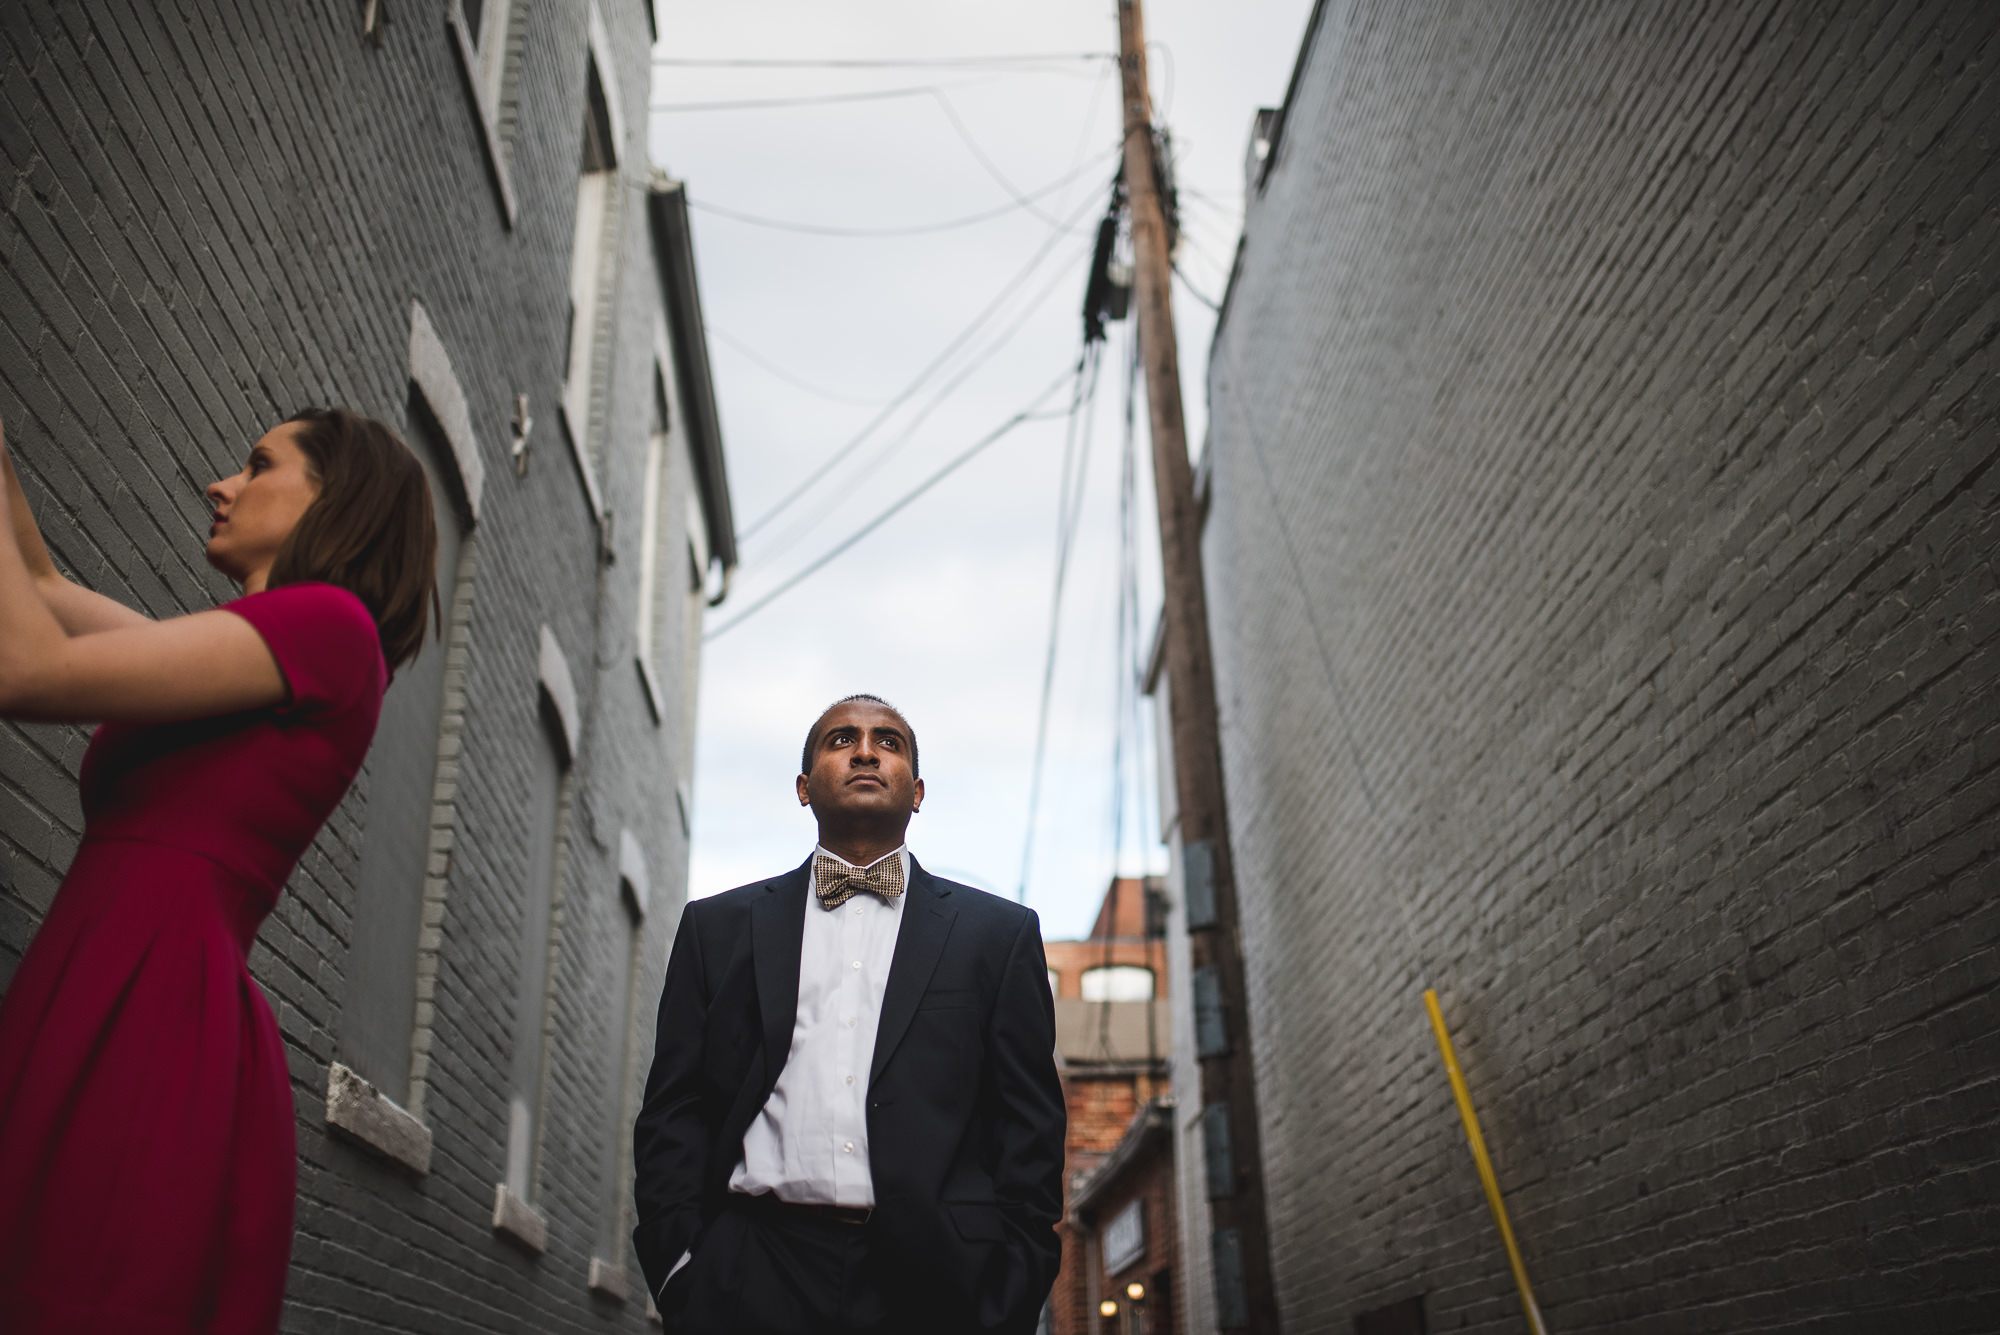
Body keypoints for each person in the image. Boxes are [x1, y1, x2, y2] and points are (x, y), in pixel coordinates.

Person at [0, 408, 437, 1334]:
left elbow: (22, 667)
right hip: (105, 972)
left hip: (145, 995)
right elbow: (36, 587)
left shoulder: (328, 625)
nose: (221, 483)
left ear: (334, 500)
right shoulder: (259, 649)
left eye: (257, 464)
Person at [633, 695, 1066, 1334]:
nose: (865, 750)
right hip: (750, 1272)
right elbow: (675, 1108)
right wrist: (682, 1270)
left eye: (888, 742)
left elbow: (1028, 1125)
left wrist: (1007, 1290)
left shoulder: (998, 936)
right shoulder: (716, 929)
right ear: (805, 788)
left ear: (916, 792)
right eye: (841, 739)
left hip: (939, 1284)